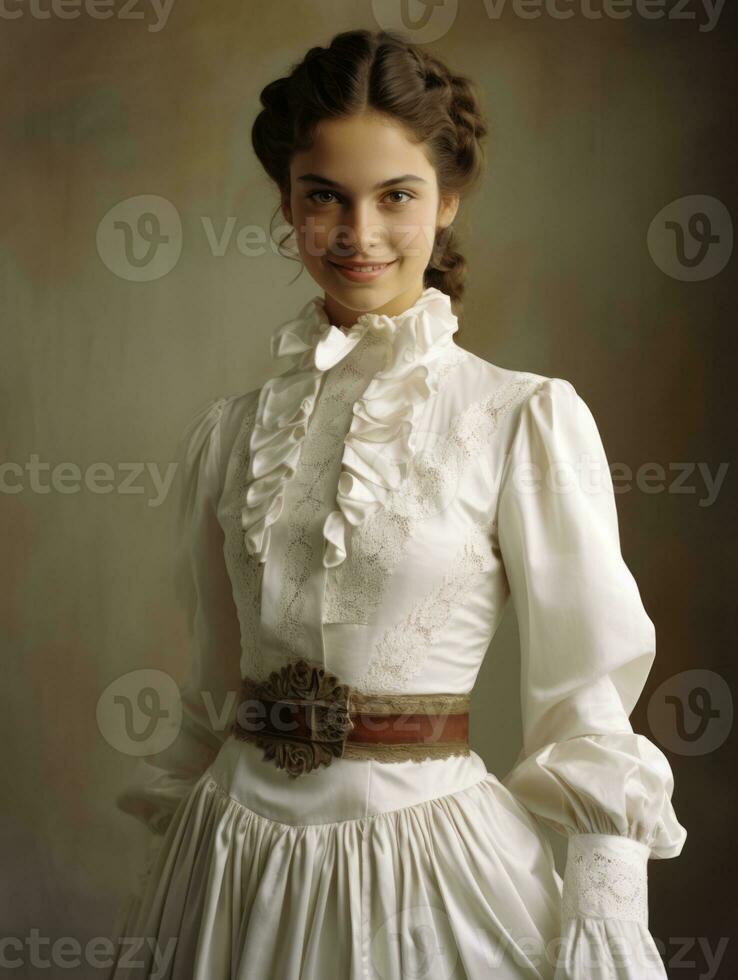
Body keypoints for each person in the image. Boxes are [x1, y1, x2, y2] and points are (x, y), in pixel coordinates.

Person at [107, 28, 687, 980]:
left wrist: (606, 920)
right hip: (230, 864)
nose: (357, 234)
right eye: (323, 195)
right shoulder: (231, 434)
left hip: (425, 866)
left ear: (448, 200)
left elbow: (588, 708)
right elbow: (216, 692)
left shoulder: (519, 419)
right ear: (287, 201)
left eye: (396, 197)